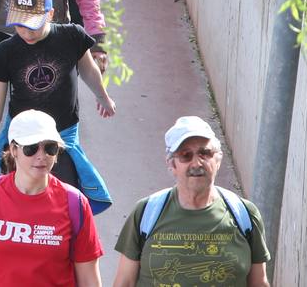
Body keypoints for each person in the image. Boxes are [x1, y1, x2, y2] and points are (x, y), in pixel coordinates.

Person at [0, 0, 114, 210]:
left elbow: (88, 71)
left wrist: (103, 97)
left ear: (51, 13)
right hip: (22, 140)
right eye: (19, 24)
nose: (25, 31)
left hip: (61, 138)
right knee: (15, 203)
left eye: (32, 24)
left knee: (65, 203)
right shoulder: (6, 51)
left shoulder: (71, 36)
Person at [111, 116, 272, 287]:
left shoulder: (245, 214)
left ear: (217, 160)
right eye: (185, 155)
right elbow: (125, 282)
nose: (197, 163)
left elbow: (259, 282)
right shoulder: (146, 213)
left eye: (205, 153)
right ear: (172, 165)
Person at [0, 110, 104, 287]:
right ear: (14, 150)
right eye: (31, 148)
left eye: (50, 148)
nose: (42, 156)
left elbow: (89, 278)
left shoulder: (75, 203)